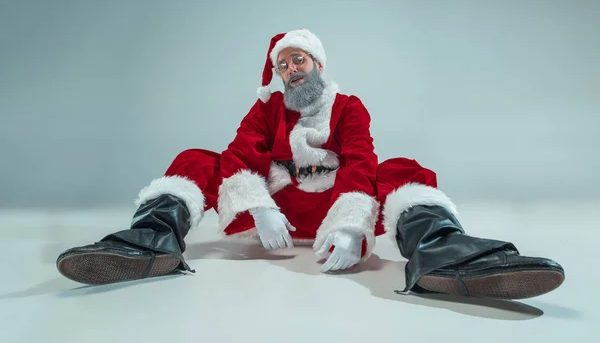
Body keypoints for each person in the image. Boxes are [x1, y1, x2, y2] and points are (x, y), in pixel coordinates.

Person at [56, 28, 565, 299]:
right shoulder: (267, 108)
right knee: (198, 159)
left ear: (319, 64)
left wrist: (350, 228)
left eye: (299, 60)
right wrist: (257, 209)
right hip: (279, 209)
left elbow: (363, 162)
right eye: (283, 64)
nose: (291, 70)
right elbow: (238, 155)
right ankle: (153, 241)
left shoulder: (349, 106)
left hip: (334, 213)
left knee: (401, 168)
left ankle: (441, 254)